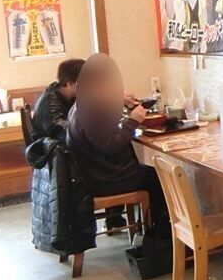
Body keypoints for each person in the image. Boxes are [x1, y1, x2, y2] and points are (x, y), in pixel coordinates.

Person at [66, 54, 169, 235]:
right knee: (160, 176)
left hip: (96, 173)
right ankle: (160, 234)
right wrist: (133, 121)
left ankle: (149, 229)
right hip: (106, 179)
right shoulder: (89, 112)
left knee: (151, 170)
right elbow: (110, 146)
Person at [31, 58, 84, 143]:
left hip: (63, 144)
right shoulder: (50, 103)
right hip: (51, 148)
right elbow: (62, 132)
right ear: (70, 83)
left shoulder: (70, 96)